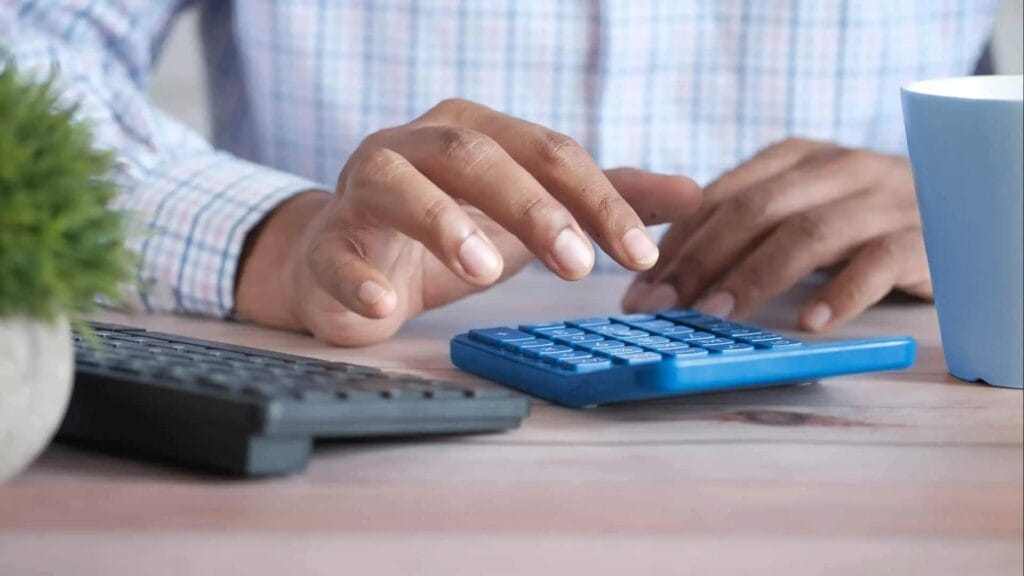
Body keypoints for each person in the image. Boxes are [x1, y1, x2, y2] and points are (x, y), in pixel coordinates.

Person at [1, 1, 1000, 346]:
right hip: (343, 429)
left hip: (889, 457)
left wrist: (994, 192)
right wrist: (268, 238)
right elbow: (23, 59)